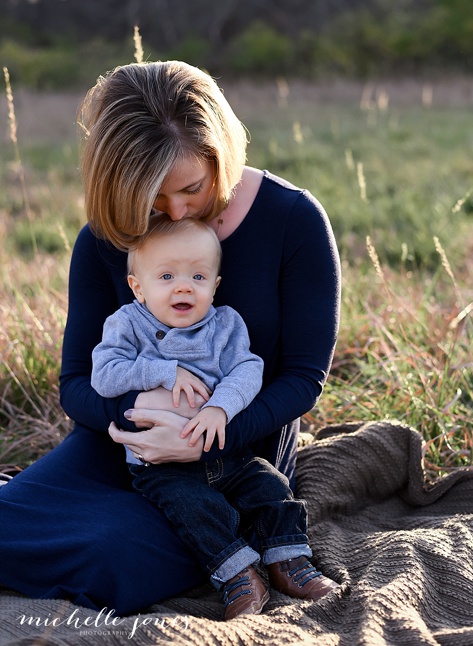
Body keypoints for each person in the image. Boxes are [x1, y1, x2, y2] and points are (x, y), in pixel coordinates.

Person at [0, 60, 341, 616]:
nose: (177, 212)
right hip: (125, 444)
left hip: (235, 449)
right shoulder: (103, 240)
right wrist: (140, 410)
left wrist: (207, 433)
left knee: (123, 562)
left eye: (192, 189)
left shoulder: (293, 221)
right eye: (154, 199)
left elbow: (303, 378)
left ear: (220, 155)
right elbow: (75, 384)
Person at [90, 214, 338, 620]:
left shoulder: (224, 326)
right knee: (195, 509)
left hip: (226, 452)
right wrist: (163, 371)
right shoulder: (127, 325)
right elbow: (103, 375)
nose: (184, 286)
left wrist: (220, 408)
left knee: (270, 486)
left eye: (198, 277)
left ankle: (289, 560)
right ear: (138, 287)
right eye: (166, 276)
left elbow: (247, 369)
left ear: (215, 285)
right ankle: (238, 575)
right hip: (160, 465)